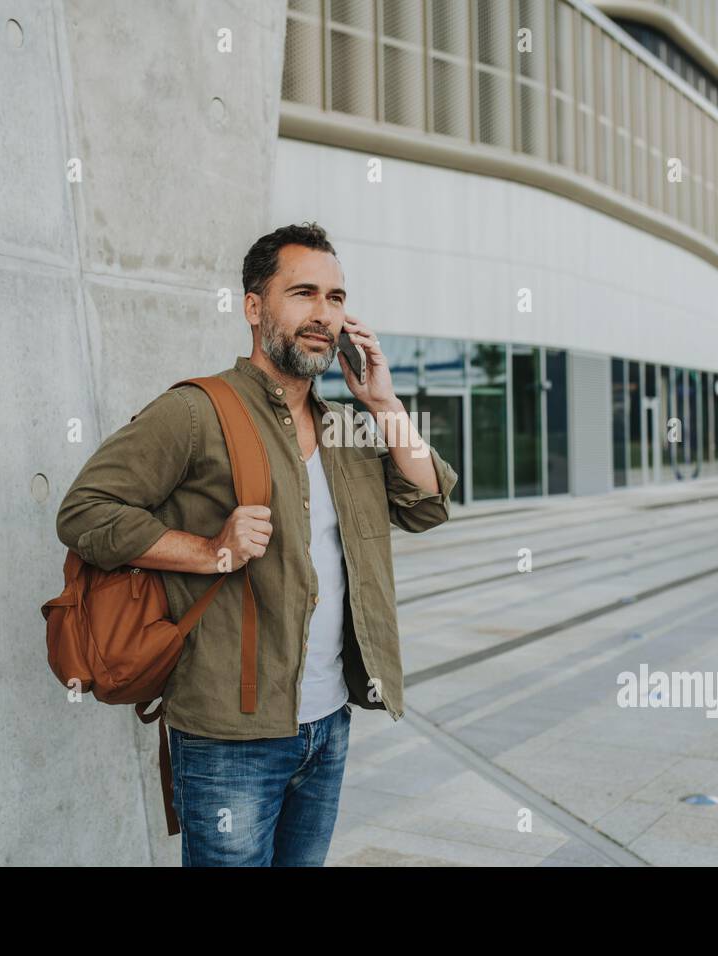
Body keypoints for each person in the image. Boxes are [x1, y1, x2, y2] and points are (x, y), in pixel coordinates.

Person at [55, 221, 458, 865]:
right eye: (302, 293)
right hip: (228, 737)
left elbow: (429, 502)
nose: (323, 314)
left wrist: (383, 403)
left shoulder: (348, 428)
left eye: (335, 297)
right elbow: (85, 512)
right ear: (253, 307)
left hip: (328, 726)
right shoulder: (196, 411)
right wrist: (211, 549)